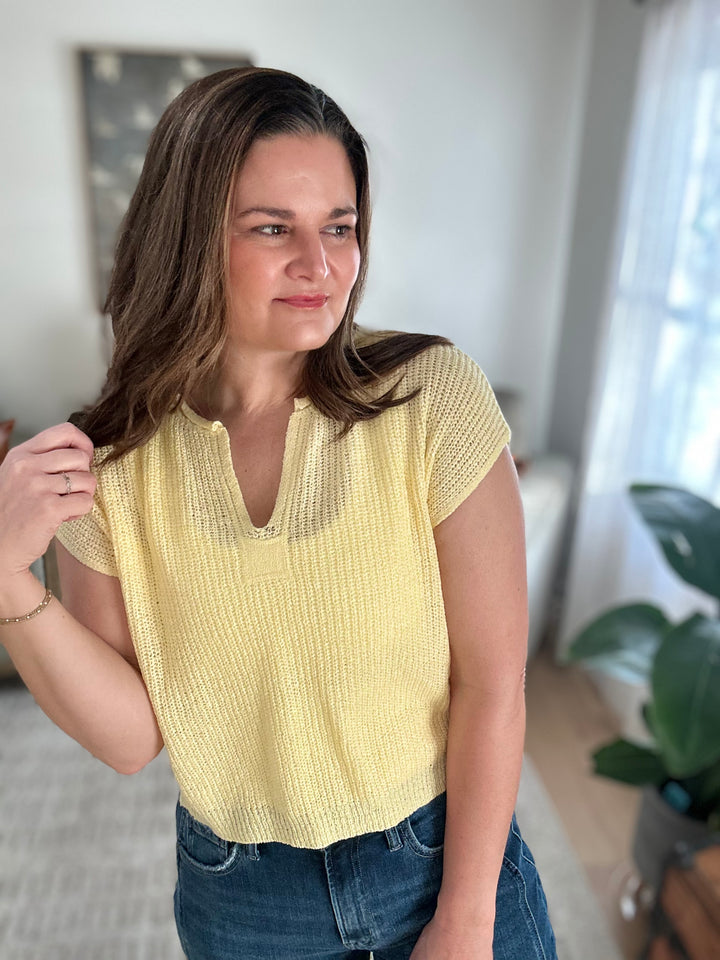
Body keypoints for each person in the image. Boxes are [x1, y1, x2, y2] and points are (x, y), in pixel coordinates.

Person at [0, 66, 557, 960]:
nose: (323, 265)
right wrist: (2, 574)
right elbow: (131, 737)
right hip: (244, 901)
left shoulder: (432, 397)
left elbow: (493, 684)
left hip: (439, 859)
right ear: (190, 239)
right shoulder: (110, 463)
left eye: (341, 227)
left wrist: (466, 917)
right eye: (273, 229)